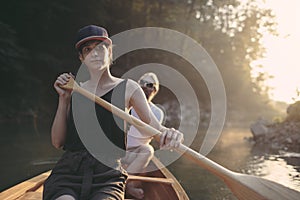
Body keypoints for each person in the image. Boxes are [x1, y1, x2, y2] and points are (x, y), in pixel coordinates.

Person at [43, 25, 184, 200]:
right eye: (88, 50)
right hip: (69, 171)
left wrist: (170, 134)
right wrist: (63, 99)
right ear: (81, 58)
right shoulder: (75, 91)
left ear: (110, 52)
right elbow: (58, 142)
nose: (95, 53)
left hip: (107, 174)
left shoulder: (128, 88)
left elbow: (153, 127)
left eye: (100, 47)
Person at [122, 72, 164, 199]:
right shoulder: (128, 105)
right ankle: (127, 185)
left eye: (150, 85)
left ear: (155, 90)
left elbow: (149, 134)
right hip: (119, 151)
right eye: (142, 84)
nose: (145, 87)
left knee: (148, 150)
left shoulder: (157, 112)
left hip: (136, 154)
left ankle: (124, 183)